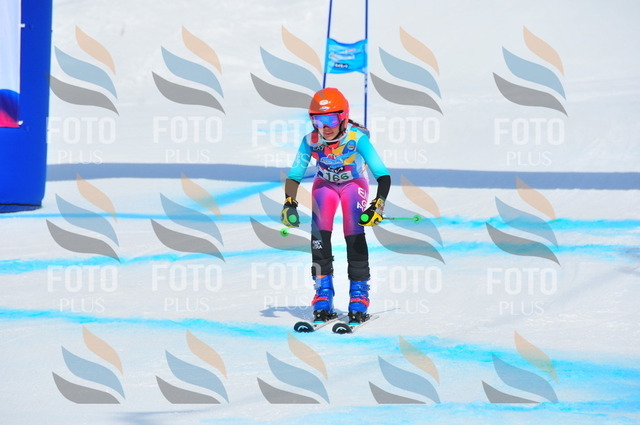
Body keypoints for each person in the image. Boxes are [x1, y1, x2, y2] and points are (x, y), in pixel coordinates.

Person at [281, 87, 391, 324]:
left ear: (343, 117)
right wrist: (289, 203)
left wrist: (378, 205)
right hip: (325, 186)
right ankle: (323, 295)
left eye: (330, 119)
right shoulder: (311, 140)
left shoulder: (357, 139)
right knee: (319, 237)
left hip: (353, 185)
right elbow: (294, 175)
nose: (325, 127)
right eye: (317, 120)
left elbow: (383, 175)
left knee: (354, 233)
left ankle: (359, 296)